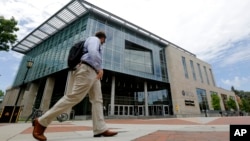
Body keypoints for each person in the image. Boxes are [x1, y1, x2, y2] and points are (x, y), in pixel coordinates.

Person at [32, 31, 118, 141]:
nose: (104, 43)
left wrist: (97, 69)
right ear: (103, 38)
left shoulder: (94, 41)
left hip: (93, 72)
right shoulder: (94, 39)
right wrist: (100, 67)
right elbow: (92, 52)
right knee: (74, 96)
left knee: (97, 100)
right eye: (104, 41)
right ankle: (41, 121)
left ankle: (100, 129)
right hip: (87, 69)